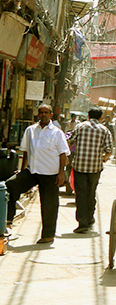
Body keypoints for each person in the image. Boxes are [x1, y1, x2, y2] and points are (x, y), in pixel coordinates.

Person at [7, 103, 70, 244]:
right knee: (10, 185)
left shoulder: (57, 132)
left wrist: (61, 173)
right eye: (41, 112)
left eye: (46, 112)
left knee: (49, 205)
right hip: (33, 171)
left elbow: (63, 154)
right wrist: (22, 169)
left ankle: (48, 235)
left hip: (51, 174)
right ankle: (8, 218)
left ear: (51, 115)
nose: (43, 115)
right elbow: (26, 150)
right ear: (38, 114)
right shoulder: (30, 130)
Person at [68, 107, 114, 234]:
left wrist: (68, 156)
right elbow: (109, 150)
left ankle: (82, 222)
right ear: (100, 117)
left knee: (81, 194)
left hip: (79, 166)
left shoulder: (80, 127)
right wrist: (104, 159)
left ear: (88, 116)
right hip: (95, 168)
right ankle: (89, 218)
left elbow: (69, 141)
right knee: (91, 192)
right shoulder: (104, 130)